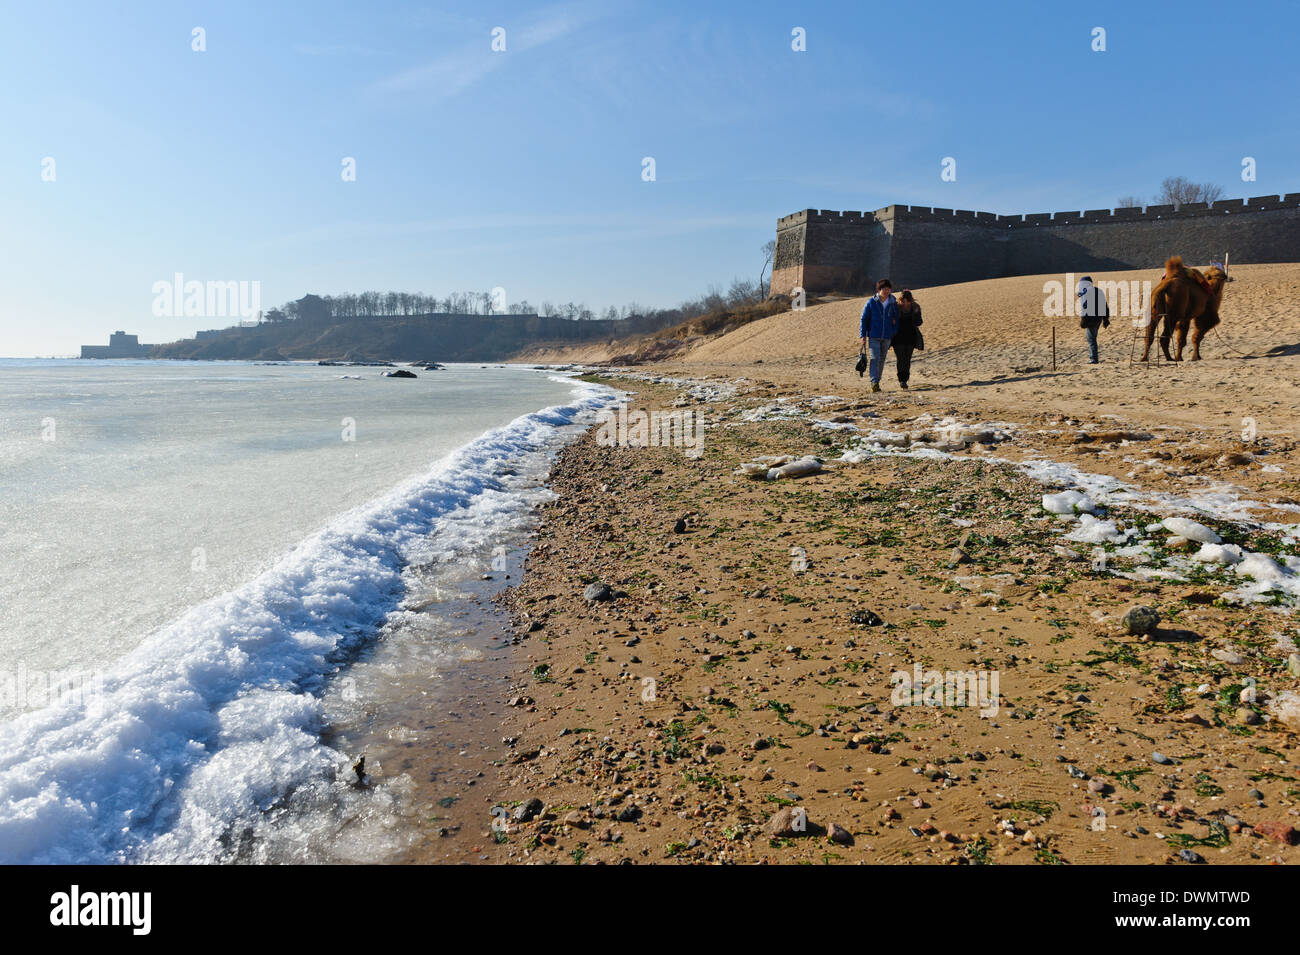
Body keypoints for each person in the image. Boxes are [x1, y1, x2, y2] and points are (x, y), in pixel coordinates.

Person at [859, 278, 899, 392]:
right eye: (884, 289)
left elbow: (896, 318)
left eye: (888, 289)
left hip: (887, 336)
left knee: (882, 359)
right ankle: (874, 381)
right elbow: (864, 319)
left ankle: (877, 380)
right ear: (879, 290)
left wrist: (893, 331)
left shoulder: (892, 303)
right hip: (873, 336)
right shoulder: (871, 302)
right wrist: (863, 335)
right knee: (875, 358)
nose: (886, 291)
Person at [1077, 276, 1110, 364]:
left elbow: (1085, 307)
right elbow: (1105, 307)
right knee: (1093, 338)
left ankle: (1093, 359)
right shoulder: (1099, 291)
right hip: (1098, 319)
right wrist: (1106, 319)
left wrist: (1083, 320)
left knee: (1091, 339)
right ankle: (1094, 358)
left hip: (1090, 319)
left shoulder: (1086, 292)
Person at [893, 289, 923, 389]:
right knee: (900, 359)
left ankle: (905, 379)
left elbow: (919, 322)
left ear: (910, 300)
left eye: (907, 300)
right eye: (902, 300)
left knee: (907, 359)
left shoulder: (915, 307)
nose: (904, 303)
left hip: (911, 337)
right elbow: (891, 321)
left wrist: (916, 313)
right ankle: (901, 380)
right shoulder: (896, 308)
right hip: (898, 337)